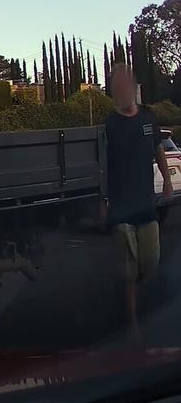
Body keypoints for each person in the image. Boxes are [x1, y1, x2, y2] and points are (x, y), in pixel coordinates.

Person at [104, 62, 172, 344]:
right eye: (117, 85)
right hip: (121, 208)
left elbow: (158, 150)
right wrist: (103, 199)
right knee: (129, 274)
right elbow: (103, 165)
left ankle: (143, 309)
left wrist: (167, 180)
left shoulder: (148, 117)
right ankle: (133, 326)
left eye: (126, 84)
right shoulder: (110, 123)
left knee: (151, 264)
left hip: (146, 205)